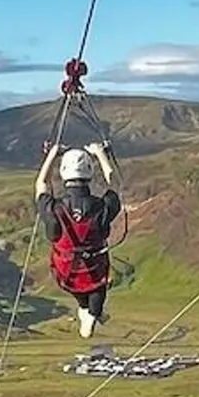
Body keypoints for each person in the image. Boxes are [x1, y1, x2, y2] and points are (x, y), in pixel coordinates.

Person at [35, 140, 122, 339]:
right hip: (94, 268)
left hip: (65, 271)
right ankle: (92, 314)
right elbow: (115, 186)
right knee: (96, 289)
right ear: (89, 173)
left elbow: (41, 185)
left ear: (64, 173)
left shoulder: (54, 209)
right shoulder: (101, 207)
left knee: (81, 289)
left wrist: (52, 155)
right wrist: (100, 155)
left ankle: (87, 312)